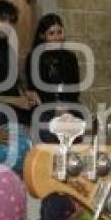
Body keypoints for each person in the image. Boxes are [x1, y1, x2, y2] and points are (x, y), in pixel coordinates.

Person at [24, 13, 83, 143]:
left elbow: (75, 88)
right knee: (50, 133)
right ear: (42, 35)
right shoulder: (35, 57)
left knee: (77, 128)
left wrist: (67, 107)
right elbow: (35, 88)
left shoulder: (70, 57)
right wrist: (56, 108)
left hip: (69, 105)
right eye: (51, 33)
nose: (57, 37)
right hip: (45, 106)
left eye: (59, 32)